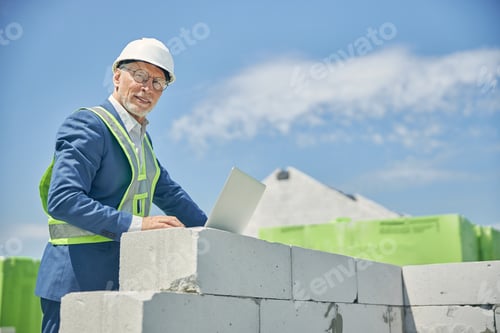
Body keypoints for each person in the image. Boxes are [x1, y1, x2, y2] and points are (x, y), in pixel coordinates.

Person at [35, 37, 207, 332]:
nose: (147, 88)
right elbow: (63, 199)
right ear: (117, 76)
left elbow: (170, 194)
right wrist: (140, 225)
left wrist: (218, 230)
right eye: (139, 76)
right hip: (74, 281)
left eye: (157, 83)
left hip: (121, 283)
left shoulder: (142, 140)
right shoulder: (89, 125)